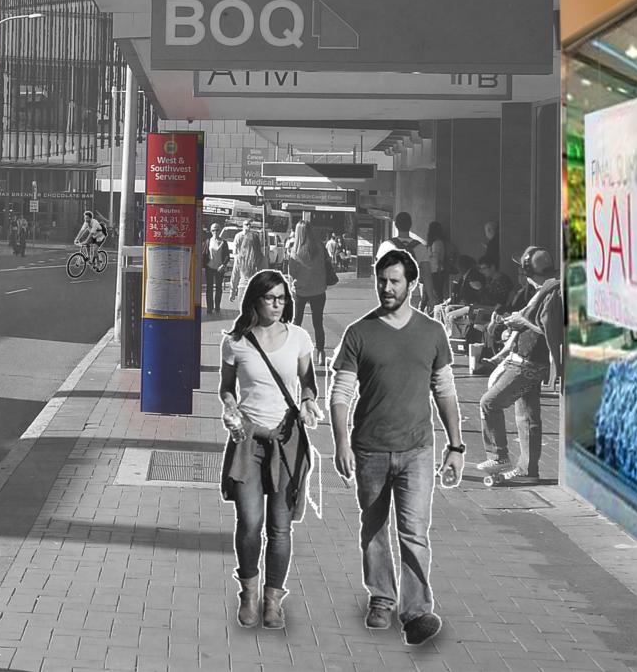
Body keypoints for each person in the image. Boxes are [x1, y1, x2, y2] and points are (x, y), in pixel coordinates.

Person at [330, 249, 465, 646]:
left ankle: (417, 611)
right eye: (382, 281)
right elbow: (340, 392)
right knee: (373, 528)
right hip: (370, 447)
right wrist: (341, 443)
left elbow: (445, 390)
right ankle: (381, 598)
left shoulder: (432, 333)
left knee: (414, 532)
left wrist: (456, 446)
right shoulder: (358, 332)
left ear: (411, 284)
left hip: (418, 450)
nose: (386, 288)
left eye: (394, 281)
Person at [218, 270, 323, 630]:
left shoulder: (298, 337)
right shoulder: (236, 342)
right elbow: (226, 388)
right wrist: (229, 409)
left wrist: (309, 403)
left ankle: (273, 599)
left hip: (287, 441)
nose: (277, 304)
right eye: (270, 298)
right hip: (248, 441)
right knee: (250, 523)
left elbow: (308, 382)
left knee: (280, 528)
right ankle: (248, 591)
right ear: (255, 300)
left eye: (282, 298)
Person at [476, 247, 563, 482]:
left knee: (489, 403)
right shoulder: (547, 290)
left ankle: (498, 455)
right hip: (530, 360)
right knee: (527, 416)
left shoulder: (551, 294)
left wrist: (522, 320)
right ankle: (528, 470)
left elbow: (551, 333)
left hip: (529, 362)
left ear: (526, 271)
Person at [285, 220, 332, 366]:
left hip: (301, 291)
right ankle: (321, 353)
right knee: (318, 322)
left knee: (296, 322)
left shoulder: (295, 249)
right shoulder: (320, 247)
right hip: (319, 290)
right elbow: (328, 263)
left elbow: (292, 272)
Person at [376, 212, 428, 309]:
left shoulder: (386, 246)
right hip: (413, 292)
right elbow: (427, 274)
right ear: (410, 225)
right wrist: (432, 297)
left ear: (396, 225)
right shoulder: (420, 247)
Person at [424, 222, 453, 310]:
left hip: (435, 272)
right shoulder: (438, 242)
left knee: (435, 294)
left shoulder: (437, 243)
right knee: (434, 294)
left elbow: (436, 259)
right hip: (435, 271)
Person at [204, 222, 232, 313]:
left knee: (219, 288)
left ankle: (217, 307)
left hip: (219, 268)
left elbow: (227, 256)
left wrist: (223, 265)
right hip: (210, 267)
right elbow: (204, 254)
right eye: (213, 230)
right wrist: (204, 265)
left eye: (217, 230)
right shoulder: (208, 241)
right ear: (211, 231)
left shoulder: (224, 242)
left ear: (220, 230)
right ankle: (209, 308)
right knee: (209, 288)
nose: (215, 232)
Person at [233, 220, 266, 296]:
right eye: (246, 224)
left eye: (249, 224)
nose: (248, 226)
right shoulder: (261, 258)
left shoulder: (239, 258)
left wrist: (233, 290)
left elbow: (235, 275)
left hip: (243, 287)